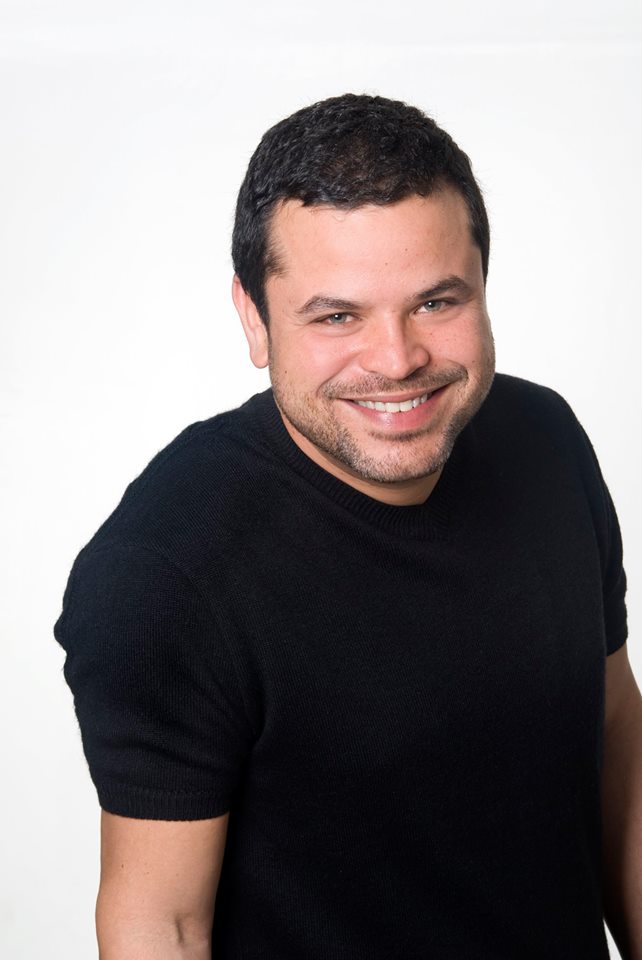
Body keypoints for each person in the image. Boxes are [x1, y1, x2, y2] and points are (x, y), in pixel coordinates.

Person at [54, 93, 641, 960]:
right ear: (254, 319)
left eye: (436, 302)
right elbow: (159, 925)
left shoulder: (544, 440)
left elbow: (618, 743)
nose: (397, 360)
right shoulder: (162, 576)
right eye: (337, 316)